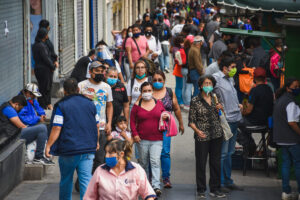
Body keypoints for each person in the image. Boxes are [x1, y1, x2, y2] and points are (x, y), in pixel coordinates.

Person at [45, 78, 99, 200]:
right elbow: (96, 125)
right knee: (86, 181)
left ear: (64, 91)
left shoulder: (61, 105)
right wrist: (96, 141)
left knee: (66, 180)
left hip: (69, 150)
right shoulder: (90, 104)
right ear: (78, 89)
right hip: (88, 148)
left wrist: (48, 145)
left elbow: (56, 128)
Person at [189, 75, 225, 198]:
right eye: (205, 83)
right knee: (201, 162)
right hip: (202, 135)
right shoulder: (195, 100)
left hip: (217, 134)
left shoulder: (216, 97)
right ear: (200, 86)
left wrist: (221, 108)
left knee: (216, 162)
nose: (208, 85)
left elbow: (221, 116)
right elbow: (191, 121)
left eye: (210, 83)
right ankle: (201, 189)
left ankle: (215, 188)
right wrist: (197, 131)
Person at [83, 139, 156, 200]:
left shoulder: (136, 170)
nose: (106, 156)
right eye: (106, 153)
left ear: (121, 154)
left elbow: (148, 193)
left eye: (110, 153)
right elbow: (89, 196)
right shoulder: (100, 171)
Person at [130, 82, 167, 196]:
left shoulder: (159, 103)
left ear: (152, 91)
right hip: (142, 140)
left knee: (155, 161)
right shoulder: (136, 105)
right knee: (143, 163)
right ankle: (144, 186)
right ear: (141, 92)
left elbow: (165, 115)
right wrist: (135, 134)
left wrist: (166, 116)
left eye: (149, 90)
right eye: (144, 91)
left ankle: (156, 186)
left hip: (157, 138)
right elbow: (131, 122)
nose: (147, 93)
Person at [212, 56, 243, 191]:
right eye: (232, 67)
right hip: (225, 121)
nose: (234, 70)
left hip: (235, 118)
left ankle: (228, 180)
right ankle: (220, 182)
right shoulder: (216, 78)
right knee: (223, 153)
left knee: (230, 153)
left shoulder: (230, 79)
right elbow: (206, 92)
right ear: (225, 68)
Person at [78, 61, 113, 172]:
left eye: (102, 71)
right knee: (84, 157)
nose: (100, 73)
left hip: (101, 128)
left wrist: (109, 123)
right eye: (96, 71)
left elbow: (109, 106)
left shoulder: (106, 87)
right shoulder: (81, 86)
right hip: (84, 128)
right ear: (90, 72)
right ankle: (83, 183)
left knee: (100, 158)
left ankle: (96, 182)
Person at [152, 70, 184, 188]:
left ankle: (166, 177)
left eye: (160, 80)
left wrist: (181, 123)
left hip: (165, 127)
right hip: (150, 128)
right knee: (152, 154)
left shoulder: (169, 92)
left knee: (165, 152)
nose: (157, 82)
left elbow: (176, 109)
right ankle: (151, 177)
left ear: (164, 81)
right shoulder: (148, 92)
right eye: (154, 80)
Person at [0, 95, 52, 165]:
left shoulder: (7, 107)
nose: (19, 111)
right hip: (11, 137)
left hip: (13, 134)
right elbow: (21, 126)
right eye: (20, 109)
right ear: (16, 105)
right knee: (41, 128)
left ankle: (36, 155)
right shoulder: (9, 110)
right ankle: (38, 157)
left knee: (39, 128)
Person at [273, 77, 300, 200]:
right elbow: (292, 122)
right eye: (295, 87)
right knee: (298, 164)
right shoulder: (290, 102)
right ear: (288, 88)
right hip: (292, 139)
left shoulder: (280, 99)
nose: (297, 89)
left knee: (285, 164)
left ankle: (286, 192)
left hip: (281, 138)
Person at [32, 28, 56, 110]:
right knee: (45, 88)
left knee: (43, 87)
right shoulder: (41, 46)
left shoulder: (36, 44)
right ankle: (44, 105)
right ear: (44, 35)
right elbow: (46, 58)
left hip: (39, 69)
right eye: (47, 34)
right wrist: (53, 66)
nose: (48, 36)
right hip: (43, 70)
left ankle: (44, 104)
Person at [172, 35, 185, 107]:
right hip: (178, 69)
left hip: (179, 69)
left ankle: (180, 100)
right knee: (179, 86)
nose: (183, 43)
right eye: (182, 42)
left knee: (181, 86)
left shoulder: (176, 48)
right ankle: (179, 101)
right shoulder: (175, 49)